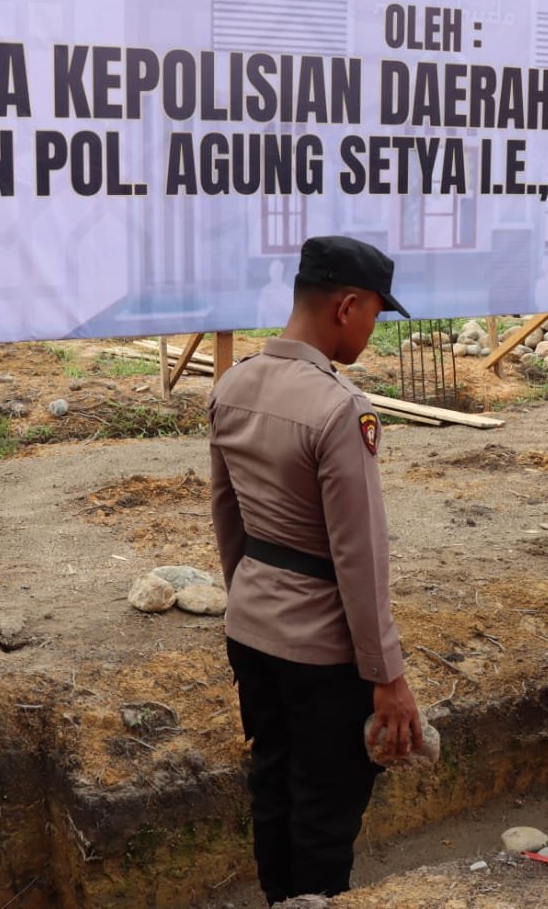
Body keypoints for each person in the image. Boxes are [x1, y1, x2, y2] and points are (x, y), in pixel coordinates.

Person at [209, 235, 423, 904]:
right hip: (321, 652)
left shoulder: (233, 385)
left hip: (251, 630)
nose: (372, 330)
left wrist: (250, 598)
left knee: (273, 788)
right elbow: (359, 558)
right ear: (346, 306)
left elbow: (227, 518)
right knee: (326, 812)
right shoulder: (339, 409)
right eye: (374, 316)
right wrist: (387, 675)